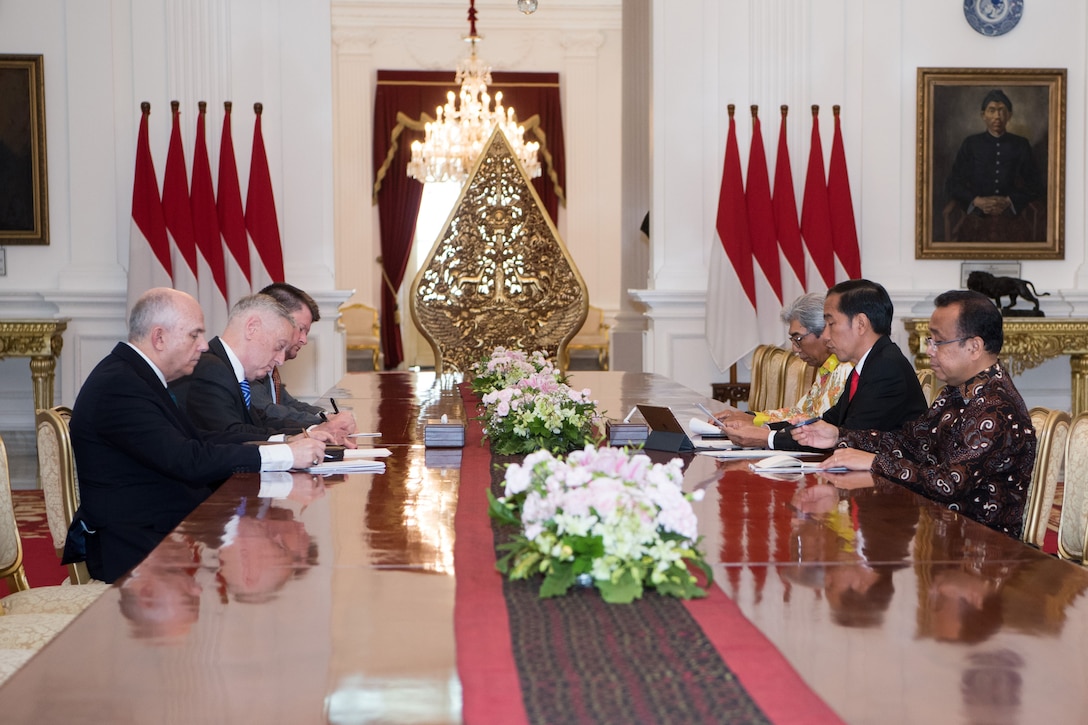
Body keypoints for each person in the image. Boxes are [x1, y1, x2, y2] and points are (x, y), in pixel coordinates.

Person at [69, 288, 326, 583]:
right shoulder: (120, 385)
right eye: (194, 335)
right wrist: (284, 455)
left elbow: (201, 439)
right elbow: (186, 459)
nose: (204, 346)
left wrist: (283, 444)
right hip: (140, 551)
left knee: (260, 539)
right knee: (257, 556)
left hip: (170, 530)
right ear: (159, 337)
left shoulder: (137, 375)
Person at [795, 289, 1036, 538]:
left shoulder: (995, 408)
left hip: (982, 550)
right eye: (929, 341)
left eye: (937, 342)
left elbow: (949, 483)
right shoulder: (957, 391)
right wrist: (839, 436)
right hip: (943, 534)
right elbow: (912, 441)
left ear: (974, 347)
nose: (929, 350)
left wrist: (875, 462)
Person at [724, 279, 927, 451]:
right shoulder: (868, 364)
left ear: (861, 324)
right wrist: (766, 430)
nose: (826, 336)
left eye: (831, 324)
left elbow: (848, 438)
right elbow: (827, 422)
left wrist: (766, 439)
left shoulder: (886, 368)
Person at [171, 294, 355, 443]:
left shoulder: (229, 369)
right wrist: (292, 440)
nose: (281, 360)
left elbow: (261, 422)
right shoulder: (210, 368)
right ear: (252, 328)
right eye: (278, 346)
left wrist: (317, 429)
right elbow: (230, 434)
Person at [713, 292, 853, 427]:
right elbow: (800, 413)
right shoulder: (827, 367)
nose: (794, 349)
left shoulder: (846, 370)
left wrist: (762, 432)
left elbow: (816, 424)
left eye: (798, 339)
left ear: (824, 332)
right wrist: (750, 418)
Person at [250, 283, 355, 430]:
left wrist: (326, 416)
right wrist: (323, 424)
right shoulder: (250, 364)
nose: (304, 340)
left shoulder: (270, 366)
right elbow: (268, 411)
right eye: (301, 329)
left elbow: (287, 403)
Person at [945, 89, 1044, 242]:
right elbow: (952, 184)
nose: (997, 116)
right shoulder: (971, 143)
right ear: (983, 115)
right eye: (992, 110)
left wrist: (1009, 201)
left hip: (1012, 216)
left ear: (1009, 115)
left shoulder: (1021, 144)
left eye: (1002, 111)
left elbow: (1036, 185)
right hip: (976, 215)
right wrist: (976, 200)